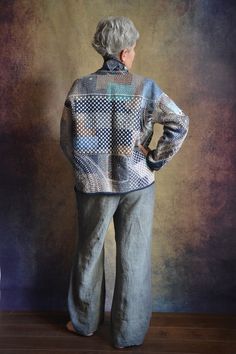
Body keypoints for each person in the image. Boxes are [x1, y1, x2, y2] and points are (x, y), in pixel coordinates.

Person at [60, 16, 189, 349]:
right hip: (137, 184)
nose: (133, 54)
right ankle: (127, 334)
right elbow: (179, 123)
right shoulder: (145, 88)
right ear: (124, 51)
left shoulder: (80, 87)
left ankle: (85, 323)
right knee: (134, 255)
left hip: (93, 185)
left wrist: (86, 169)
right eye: (132, 49)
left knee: (89, 252)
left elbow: (66, 141)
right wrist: (154, 159)